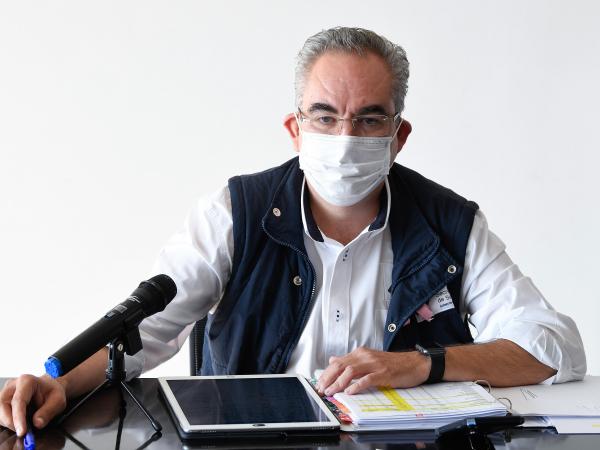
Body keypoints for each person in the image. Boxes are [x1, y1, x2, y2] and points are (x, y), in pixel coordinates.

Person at [0, 27, 586, 438]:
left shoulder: (449, 222)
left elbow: (554, 348)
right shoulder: (235, 212)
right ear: (295, 128)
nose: (345, 137)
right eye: (325, 116)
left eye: (369, 118)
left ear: (398, 135)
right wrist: (61, 386)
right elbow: (147, 329)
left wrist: (421, 365)